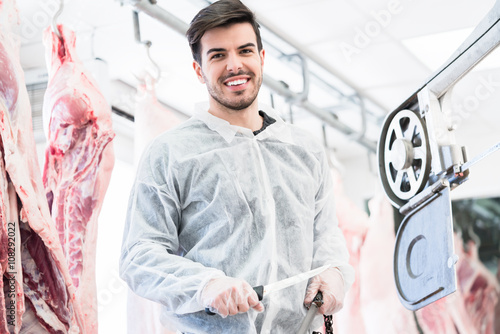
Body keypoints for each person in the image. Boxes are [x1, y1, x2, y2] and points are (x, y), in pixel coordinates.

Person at [119, 0, 354, 333]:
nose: (234, 65)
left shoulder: (305, 151)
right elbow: (139, 256)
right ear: (198, 70)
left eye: (245, 51)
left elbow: (327, 238)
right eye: (217, 55)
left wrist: (333, 273)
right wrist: (206, 286)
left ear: (261, 58)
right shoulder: (170, 152)